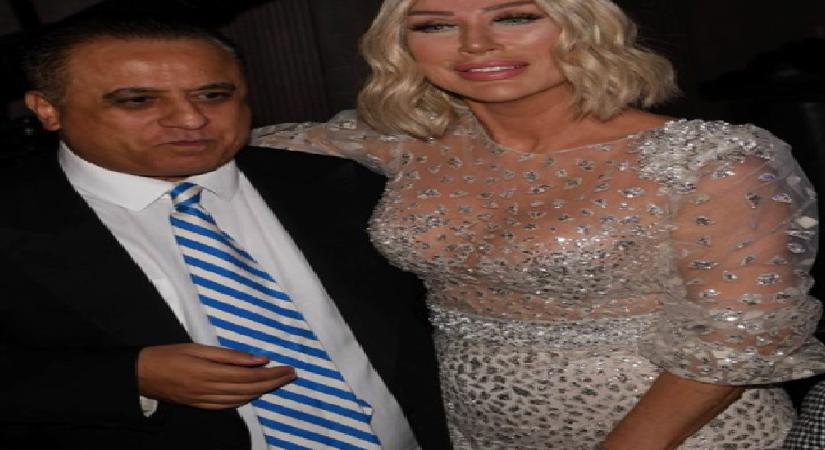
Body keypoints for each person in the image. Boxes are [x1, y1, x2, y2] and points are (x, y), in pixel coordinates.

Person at [252, 0, 825, 448]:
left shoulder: (713, 160)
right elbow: (224, 144)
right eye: (436, 25)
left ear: (582, 25)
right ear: (401, 45)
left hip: (677, 435)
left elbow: (739, 342)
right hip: (467, 429)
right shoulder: (408, 143)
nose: (477, 44)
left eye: (516, 17)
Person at [0, 13, 450, 450]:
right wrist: (128, 378)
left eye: (213, 95)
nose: (191, 119)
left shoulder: (342, 185)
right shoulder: (15, 217)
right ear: (47, 109)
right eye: (139, 100)